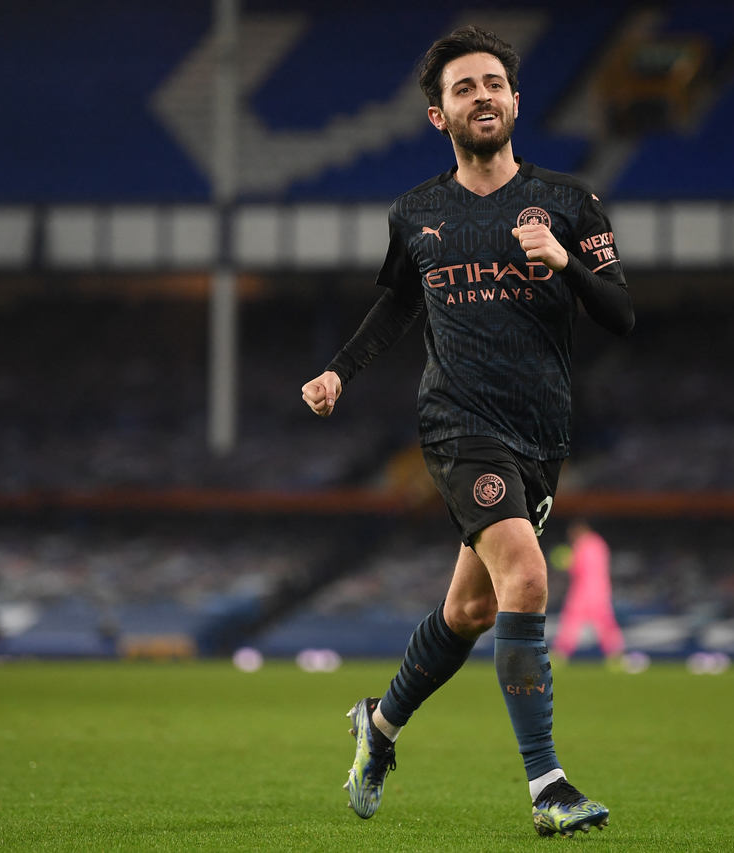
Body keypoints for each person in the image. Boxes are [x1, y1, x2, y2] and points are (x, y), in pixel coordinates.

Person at [301, 25, 633, 836]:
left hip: (543, 435)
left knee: (471, 611)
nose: (481, 95)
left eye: (493, 83)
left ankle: (377, 725)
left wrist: (564, 261)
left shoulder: (570, 203)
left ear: (517, 101)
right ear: (437, 116)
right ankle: (548, 785)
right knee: (526, 577)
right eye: (463, 88)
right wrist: (341, 368)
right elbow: (395, 303)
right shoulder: (417, 212)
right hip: (456, 426)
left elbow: (621, 314)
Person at [551, 519, 625, 665]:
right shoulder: (599, 543)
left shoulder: (583, 544)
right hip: (601, 589)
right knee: (605, 623)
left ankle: (560, 655)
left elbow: (577, 567)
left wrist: (566, 561)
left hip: (583, 590)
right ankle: (616, 656)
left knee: (571, 621)